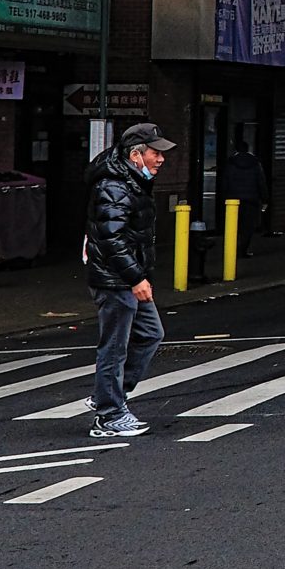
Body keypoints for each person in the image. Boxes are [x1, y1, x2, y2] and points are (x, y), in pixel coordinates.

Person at [83, 122, 174, 438]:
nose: (160, 159)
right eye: (155, 152)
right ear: (136, 154)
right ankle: (109, 414)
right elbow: (112, 238)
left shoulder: (132, 182)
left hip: (126, 277)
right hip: (115, 279)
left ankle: (108, 394)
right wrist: (136, 278)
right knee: (115, 347)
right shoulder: (115, 186)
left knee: (151, 333)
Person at [219, 135, 267, 256]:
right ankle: (243, 249)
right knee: (248, 227)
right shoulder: (255, 163)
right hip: (251, 200)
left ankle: (232, 249)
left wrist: (224, 197)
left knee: (234, 225)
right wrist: (265, 199)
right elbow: (261, 182)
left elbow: (225, 181)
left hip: (233, 201)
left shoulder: (230, 163)